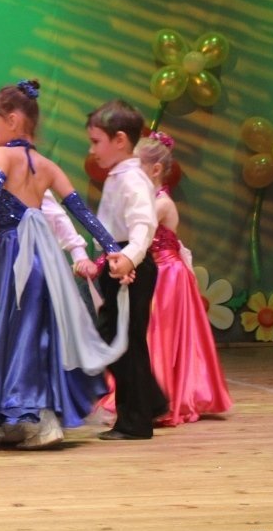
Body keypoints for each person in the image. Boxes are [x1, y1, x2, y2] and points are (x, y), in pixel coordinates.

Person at [0, 80, 128, 450]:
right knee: (34, 334)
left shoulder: (2, 156)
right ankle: (19, 418)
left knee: (1, 333)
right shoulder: (48, 165)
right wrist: (112, 250)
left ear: (12, 120)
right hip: (43, 259)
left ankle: (31, 418)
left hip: (11, 258)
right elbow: (82, 213)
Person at [97, 132, 232, 425]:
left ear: (155, 170)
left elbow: (134, 231)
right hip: (155, 271)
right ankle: (148, 398)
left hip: (169, 276)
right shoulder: (147, 200)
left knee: (161, 336)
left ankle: (162, 399)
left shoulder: (161, 203)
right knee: (145, 334)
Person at [86, 99, 168, 440]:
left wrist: (129, 258)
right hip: (118, 261)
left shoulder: (133, 178)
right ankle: (150, 401)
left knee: (124, 342)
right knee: (115, 338)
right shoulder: (119, 175)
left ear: (120, 140)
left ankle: (135, 421)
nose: (92, 151)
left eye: (96, 142)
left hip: (129, 264)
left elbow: (143, 226)